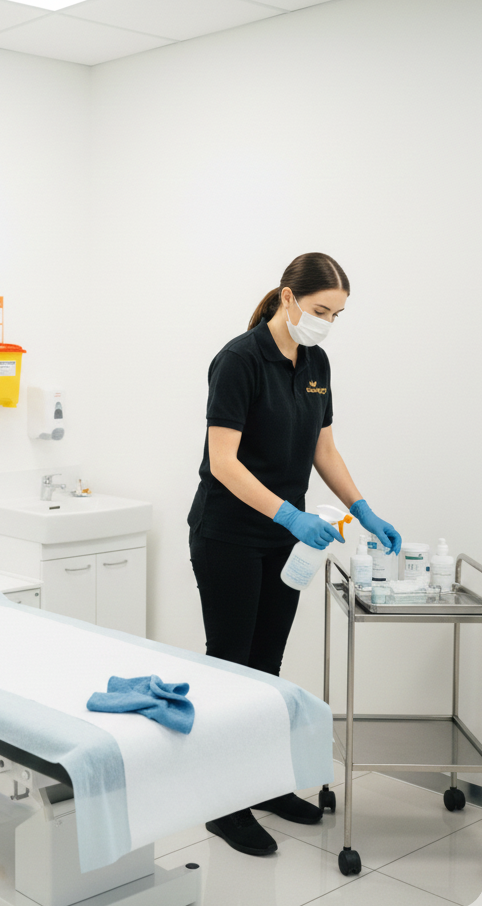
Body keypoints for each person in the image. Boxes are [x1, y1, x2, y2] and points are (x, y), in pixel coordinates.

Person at [187, 252, 401, 856]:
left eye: (336, 313)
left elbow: (322, 449)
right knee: (231, 667)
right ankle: (222, 806)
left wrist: (362, 507)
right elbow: (223, 463)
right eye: (319, 310)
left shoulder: (316, 362)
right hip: (228, 534)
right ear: (287, 298)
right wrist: (287, 512)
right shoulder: (238, 360)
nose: (327, 322)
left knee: (266, 667)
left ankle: (262, 784)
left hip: (284, 539)